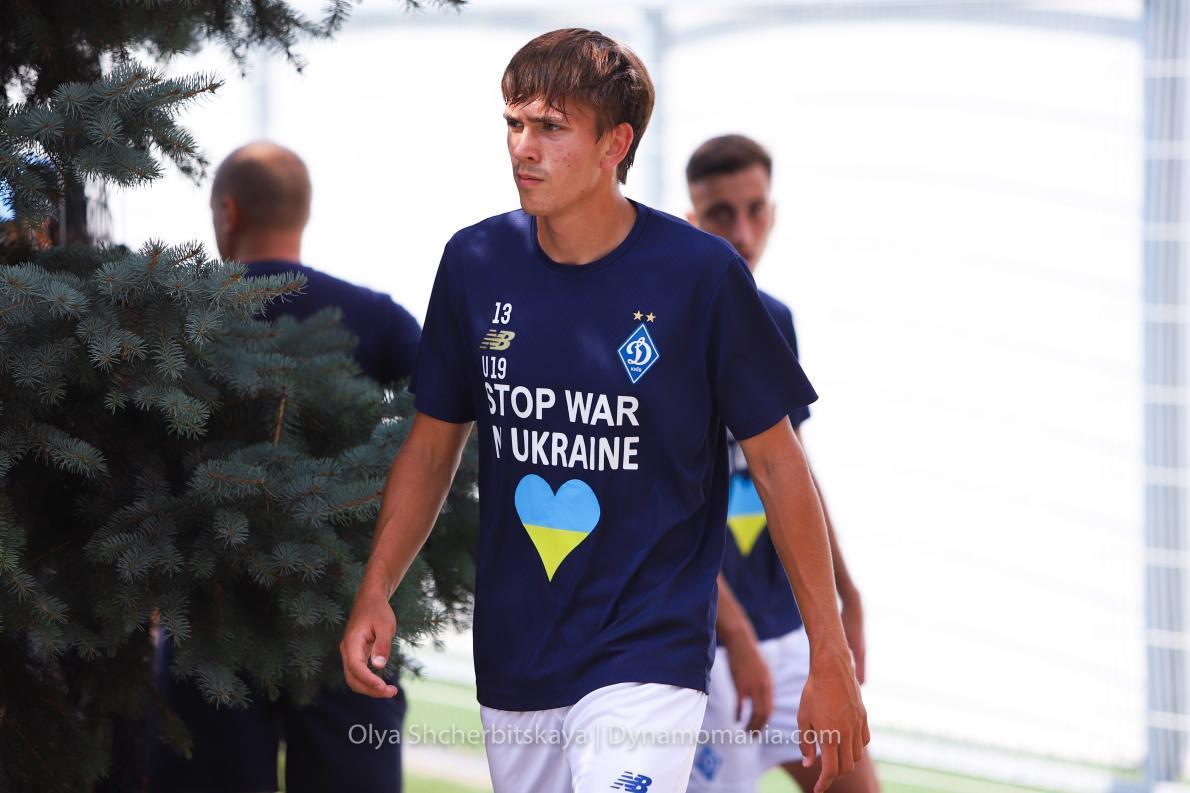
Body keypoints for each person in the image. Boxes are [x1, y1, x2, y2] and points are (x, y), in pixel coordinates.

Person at [339, 29, 869, 793]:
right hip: (517, 658)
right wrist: (376, 586)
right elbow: (430, 447)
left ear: (614, 144)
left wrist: (830, 651)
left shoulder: (703, 276)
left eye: (551, 127)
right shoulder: (473, 263)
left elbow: (780, 464)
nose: (524, 147)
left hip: (649, 655)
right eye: (514, 123)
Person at [150, 141, 420, 793]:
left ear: (228, 211)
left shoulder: (184, 320)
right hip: (342, 609)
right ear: (303, 212)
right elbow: (444, 424)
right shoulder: (376, 318)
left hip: (209, 616)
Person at [683, 135, 880, 792]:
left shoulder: (775, 320)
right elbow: (657, 511)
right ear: (692, 219)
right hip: (702, 650)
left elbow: (795, 470)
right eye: (722, 214)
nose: (743, 233)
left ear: (772, 213)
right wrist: (736, 635)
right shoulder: (662, 333)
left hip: (786, 629)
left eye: (755, 210)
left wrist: (847, 597)